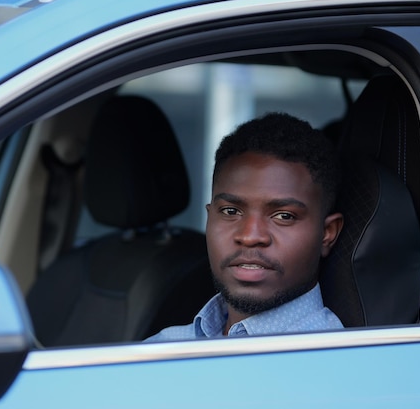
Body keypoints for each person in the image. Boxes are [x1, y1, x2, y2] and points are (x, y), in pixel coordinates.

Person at [146, 112, 344, 342]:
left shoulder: (337, 363)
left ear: (327, 234)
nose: (250, 236)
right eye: (231, 212)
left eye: (284, 216)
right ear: (209, 218)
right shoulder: (162, 347)